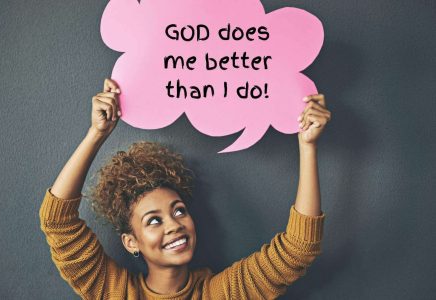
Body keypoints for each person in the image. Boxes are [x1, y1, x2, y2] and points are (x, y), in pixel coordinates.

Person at [39, 78, 331, 299]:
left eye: (178, 211)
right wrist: (96, 134)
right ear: (131, 242)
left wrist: (307, 146)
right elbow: (57, 221)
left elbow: (298, 248)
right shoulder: (115, 292)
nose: (174, 225)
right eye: (154, 220)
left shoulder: (219, 294)